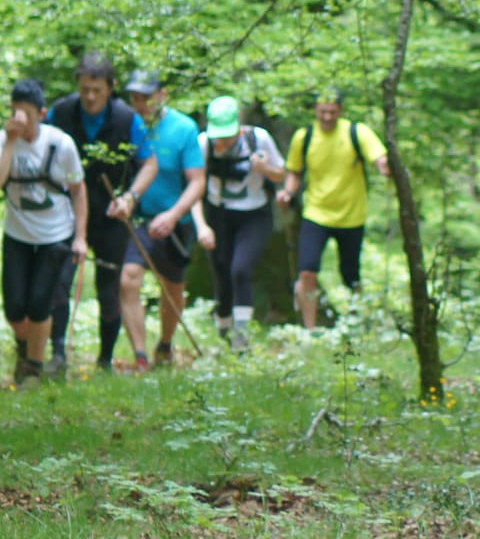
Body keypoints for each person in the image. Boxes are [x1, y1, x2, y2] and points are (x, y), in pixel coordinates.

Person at [44, 51, 159, 375]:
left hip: (111, 216)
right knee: (59, 282)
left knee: (109, 289)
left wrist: (131, 197)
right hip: (66, 214)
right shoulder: (62, 112)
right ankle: (58, 355)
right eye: (85, 90)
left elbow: (150, 163)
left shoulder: (126, 119)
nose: (90, 97)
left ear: (111, 88)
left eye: (97, 90)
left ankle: (105, 360)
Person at [0, 80, 88, 386]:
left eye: (26, 114)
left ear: (41, 113)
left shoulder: (62, 145)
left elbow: (78, 191)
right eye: (15, 112)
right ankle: (26, 347)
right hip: (17, 234)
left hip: (55, 236)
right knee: (15, 307)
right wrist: (11, 143)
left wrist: (80, 237)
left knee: (41, 303)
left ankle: (33, 366)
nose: (19, 119)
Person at [120, 69, 214, 369]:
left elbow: (197, 181)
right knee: (128, 279)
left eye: (146, 97)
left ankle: (165, 344)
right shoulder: (128, 125)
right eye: (135, 97)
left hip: (176, 224)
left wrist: (173, 215)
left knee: (172, 287)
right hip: (138, 220)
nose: (140, 104)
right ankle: (140, 355)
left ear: (162, 95)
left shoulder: (183, 128)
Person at [280, 88, 391, 327]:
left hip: (352, 215)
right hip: (316, 213)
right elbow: (294, 171)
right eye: (322, 112)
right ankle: (310, 328)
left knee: (351, 275)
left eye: (332, 112)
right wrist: (288, 192)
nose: (327, 117)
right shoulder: (304, 136)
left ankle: (357, 322)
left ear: (340, 111)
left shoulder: (356, 132)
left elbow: (379, 156)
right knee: (307, 272)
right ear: (315, 111)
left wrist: (385, 166)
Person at [200, 96, 286, 351]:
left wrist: (264, 167)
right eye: (219, 136)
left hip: (254, 214)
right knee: (222, 272)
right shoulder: (203, 144)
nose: (222, 142)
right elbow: (195, 182)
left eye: (227, 136)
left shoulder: (259, 139)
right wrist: (202, 224)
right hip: (218, 215)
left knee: (241, 269)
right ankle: (224, 327)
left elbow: (282, 173)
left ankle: (241, 335)